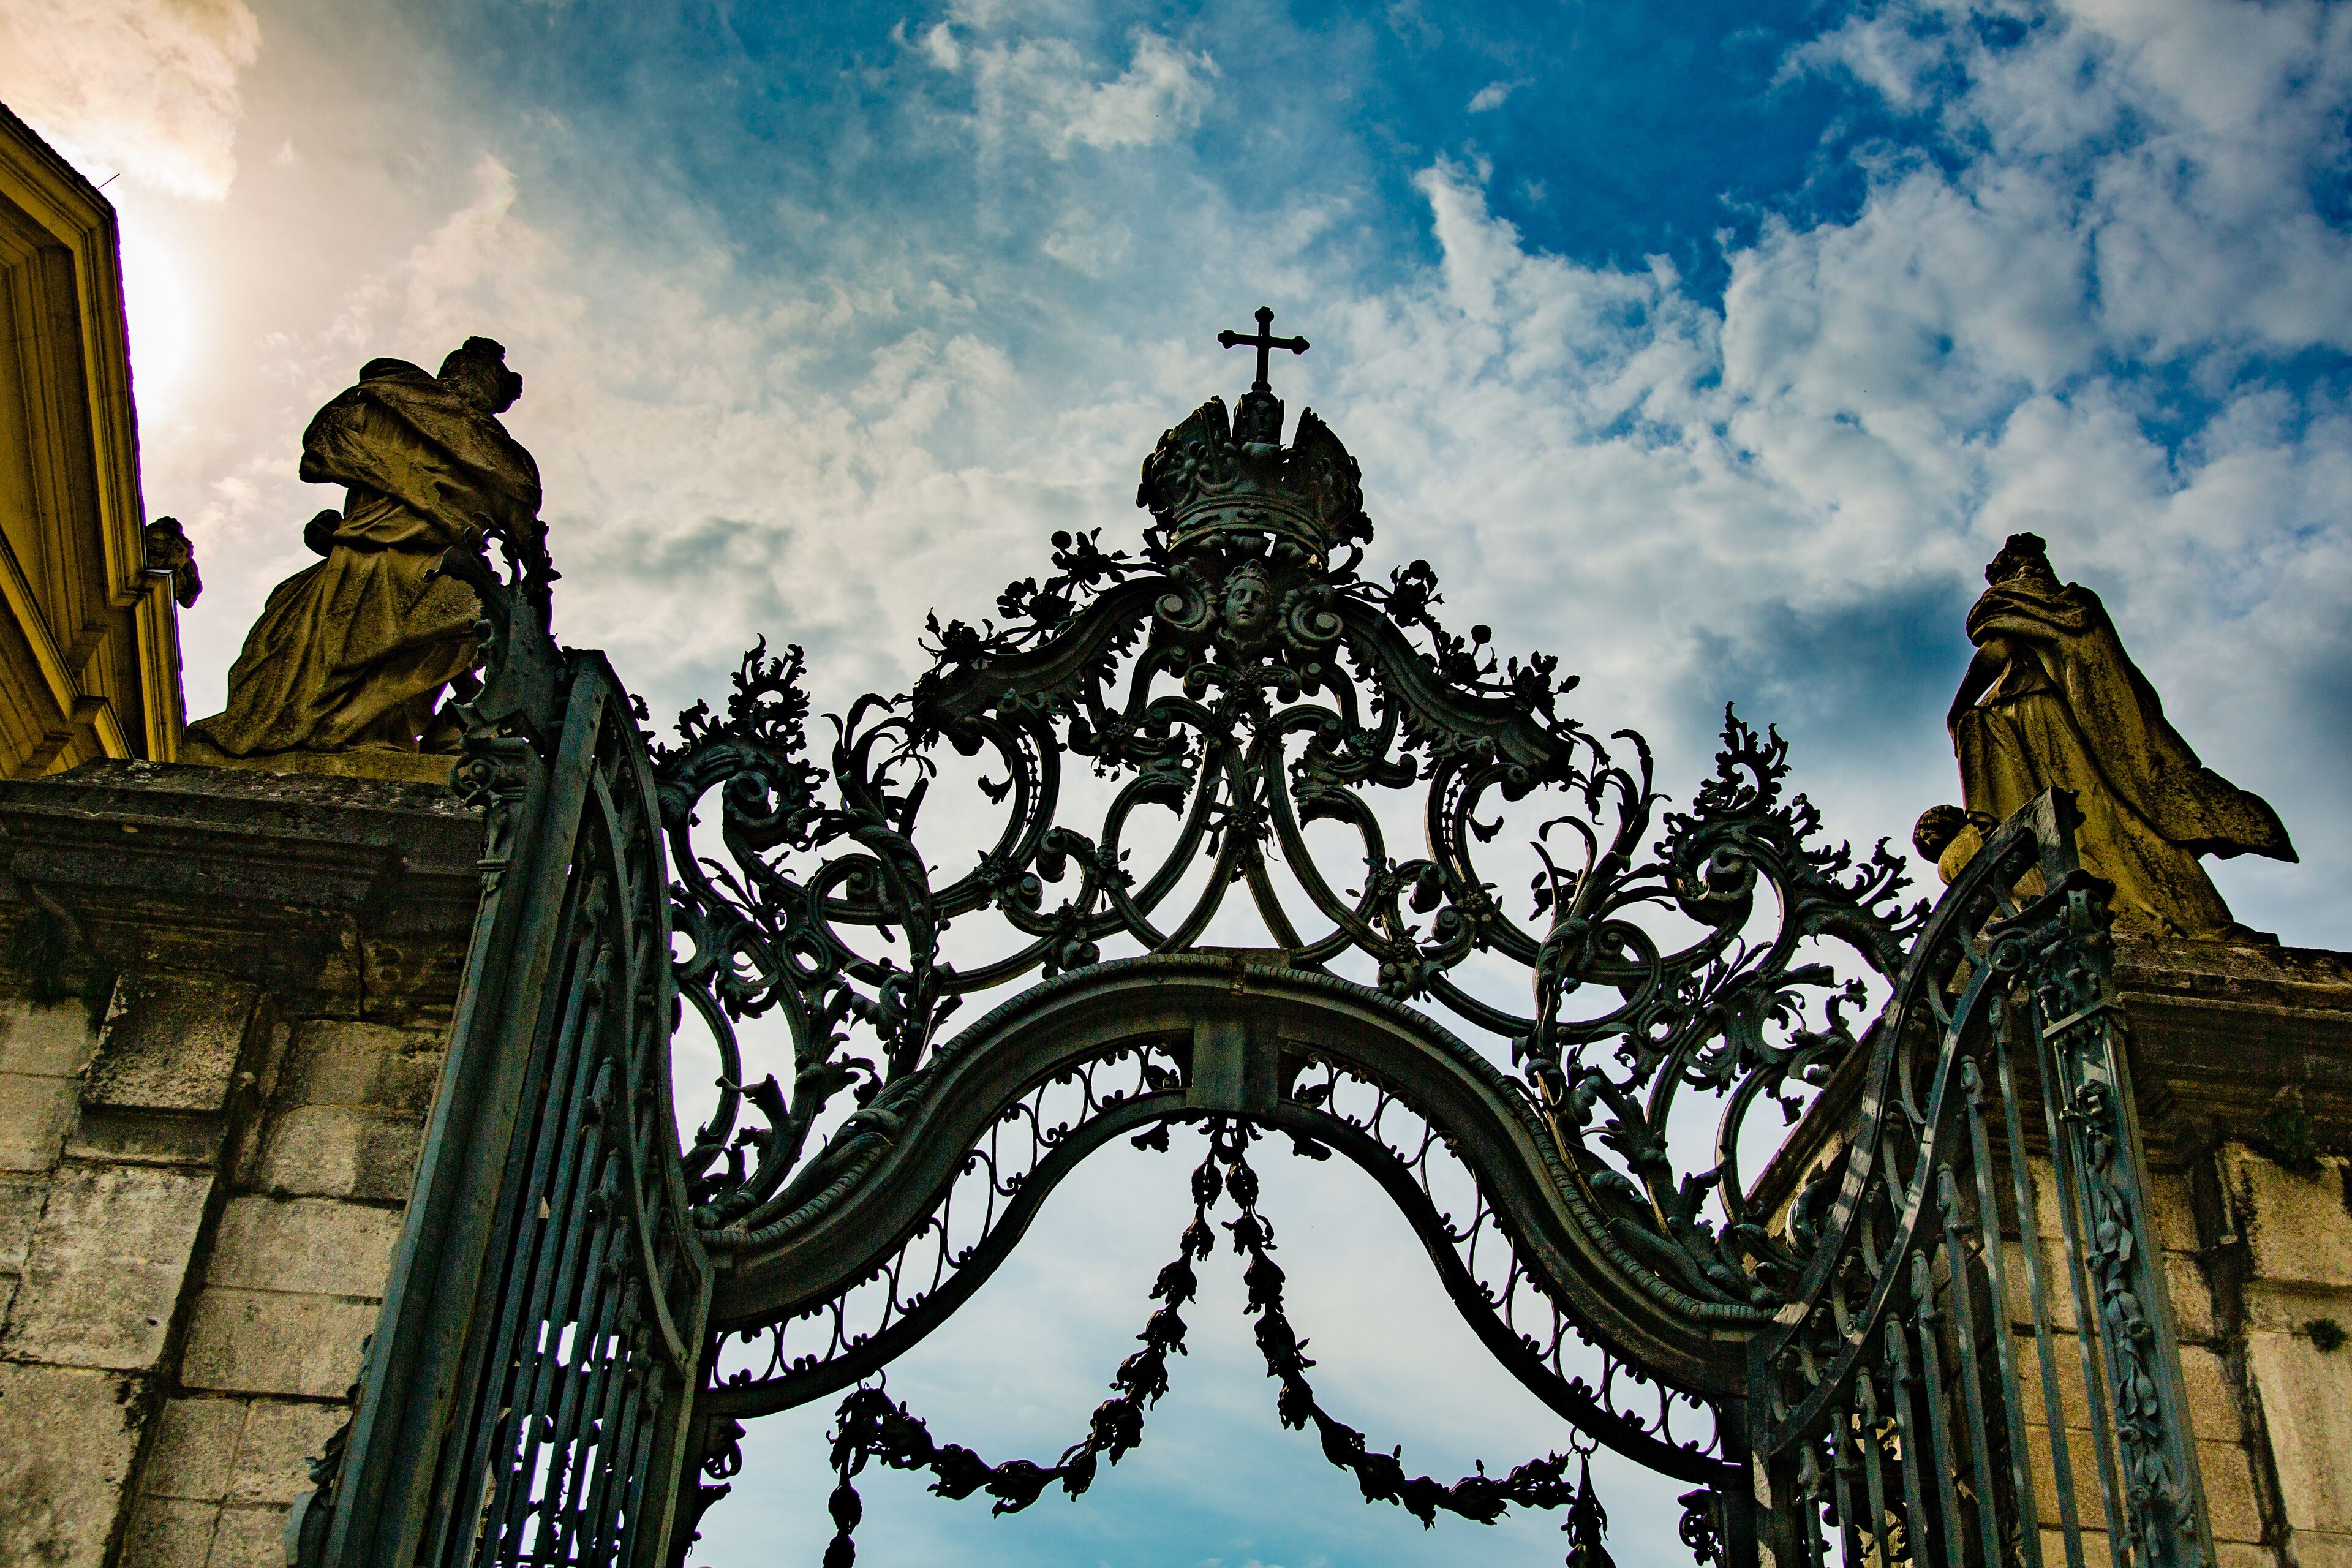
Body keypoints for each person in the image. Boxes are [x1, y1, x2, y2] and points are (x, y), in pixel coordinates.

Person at [1922, 533, 2294, 940]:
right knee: (2103, 821)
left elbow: (1996, 651)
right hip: (2053, 728)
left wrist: (1958, 710)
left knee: (2091, 821)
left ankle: (2144, 915)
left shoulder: (2020, 605)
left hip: (2044, 723)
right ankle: (2160, 915)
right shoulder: (2066, 605)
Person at [185, 338, 540, 761]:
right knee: (298, 651)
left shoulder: (504, 458)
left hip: (440, 565)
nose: (489, 390)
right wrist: (409, 486)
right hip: (363, 551)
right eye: (488, 377)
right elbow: (319, 454)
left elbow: (523, 526)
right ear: (460, 368)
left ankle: (375, 738)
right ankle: (327, 738)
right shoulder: (390, 398)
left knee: (457, 626)